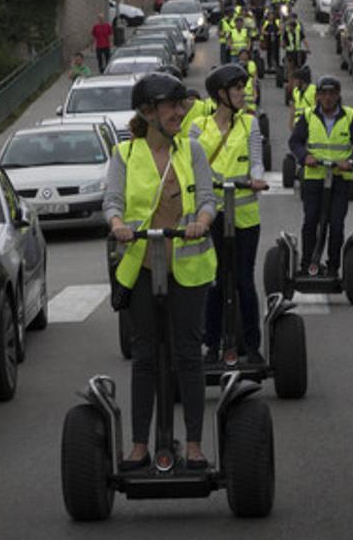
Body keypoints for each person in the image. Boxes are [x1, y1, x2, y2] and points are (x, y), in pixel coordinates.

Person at [103, 72, 217, 471]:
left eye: (181, 104)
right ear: (148, 111)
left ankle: (194, 443)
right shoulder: (125, 155)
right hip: (142, 265)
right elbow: (112, 201)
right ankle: (139, 445)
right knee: (145, 356)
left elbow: (207, 199)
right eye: (171, 105)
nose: (180, 111)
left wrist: (202, 220)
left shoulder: (192, 150)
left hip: (187, 267)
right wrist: (117, 224)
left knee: (188, 354)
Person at [189, 64, 269, 364]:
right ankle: (212, 346)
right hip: (214, 215)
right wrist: (214, 179)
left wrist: (256, 178)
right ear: (221, 94)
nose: (242, 93)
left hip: (246, 216)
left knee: (244, 281)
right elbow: (196, 166)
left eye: (242, 88)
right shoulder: (199, 127)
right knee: (216, 280)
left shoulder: (251, 124)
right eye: (236, 88)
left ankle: (252, 346)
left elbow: (256, 160)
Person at [288, 75, 353, 275]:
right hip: (314, 177)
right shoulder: (308, 116)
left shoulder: (349, 116)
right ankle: (308, 264)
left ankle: (333, 266)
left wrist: (350, 162)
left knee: (336, 224)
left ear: (338, 95)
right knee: (310, 221)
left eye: (332, 93)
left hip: (340, 179)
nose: (327, 98)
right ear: (317, 96)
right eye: (323, 94)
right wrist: (304, 156)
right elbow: (295, 141)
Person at [287, 66, 316, 131]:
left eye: (296, 80)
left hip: (310, 123)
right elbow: (293, 109)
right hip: (298, 123)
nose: (294, 82)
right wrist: (290, 123)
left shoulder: (314, 90)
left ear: (302, 80)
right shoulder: (295, 91)